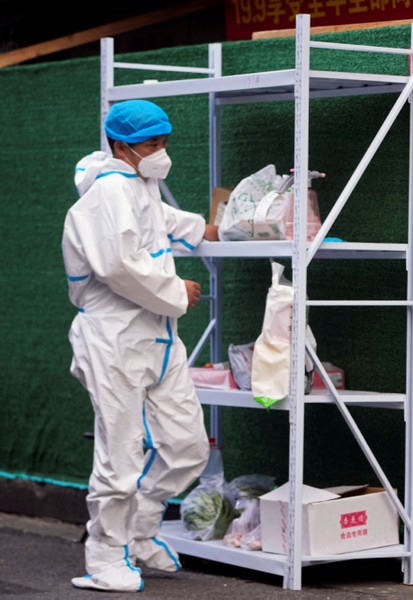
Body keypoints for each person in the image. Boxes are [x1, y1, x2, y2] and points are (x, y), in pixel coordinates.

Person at [62, 99, 219, 592]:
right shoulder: (107, 194)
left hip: (156, 334)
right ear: (121, 145)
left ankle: (140, 530)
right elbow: (118, 266)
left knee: (188, 445)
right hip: (114, 337)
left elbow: (162, 221)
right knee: (120, 455)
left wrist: (208, 229)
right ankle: (105, 557)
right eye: (152, 144)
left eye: (164, 141)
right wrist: (179, 291)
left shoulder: (138, 184)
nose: (161, 152)